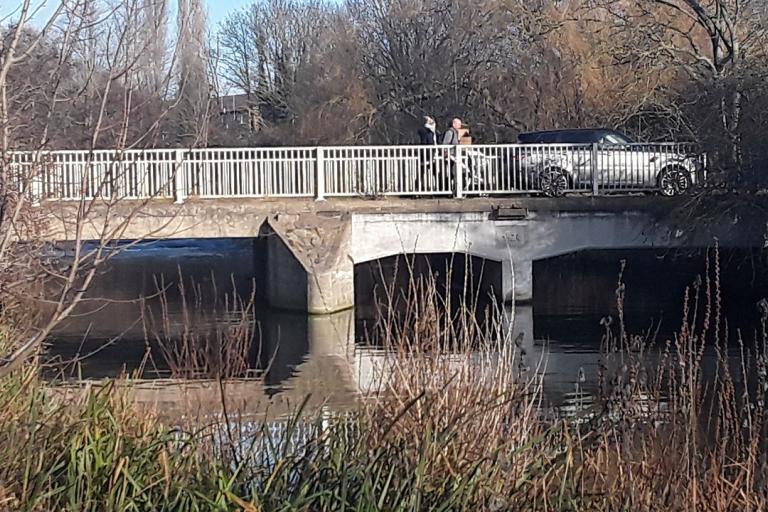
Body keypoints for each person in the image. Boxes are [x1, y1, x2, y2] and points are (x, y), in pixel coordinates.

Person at [417, 116, 438, 192]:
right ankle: (418, 189)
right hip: (426, 155)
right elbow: (426, 141)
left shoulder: (432, 132)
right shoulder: (425, 131)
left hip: (431, 155)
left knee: (434, 172)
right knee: (422, 173)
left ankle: (438, 187)